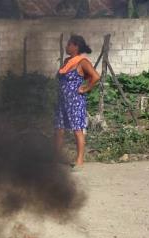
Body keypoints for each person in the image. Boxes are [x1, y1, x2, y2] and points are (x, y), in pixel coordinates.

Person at [54, 35, 100, 170]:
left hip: (75, 101)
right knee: (59, 129)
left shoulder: (82, 61)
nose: (66, 47)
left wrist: (86, 88)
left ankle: (79, 161)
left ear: (76, 46)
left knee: (77, 130)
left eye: (69, 44)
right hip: (62, 101)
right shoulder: (67, 60)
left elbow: (96, 77)